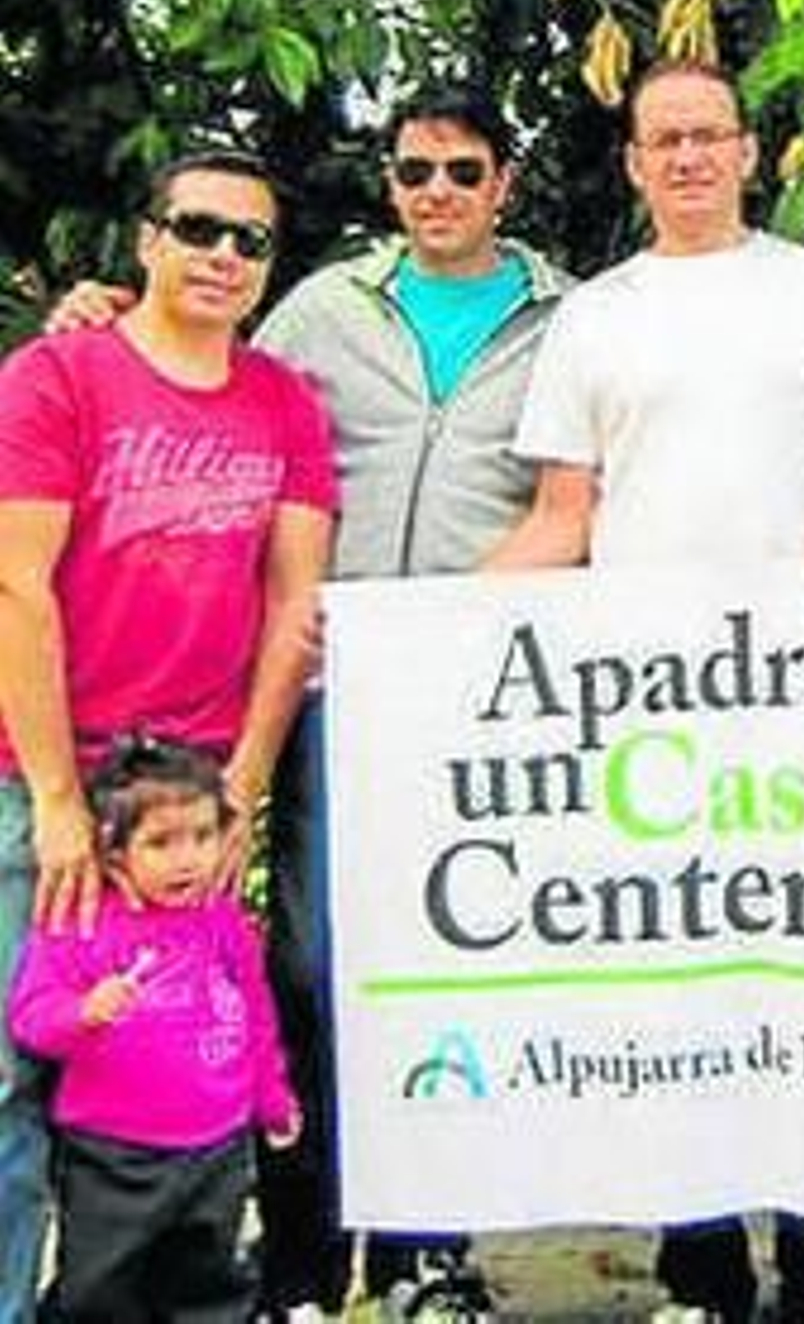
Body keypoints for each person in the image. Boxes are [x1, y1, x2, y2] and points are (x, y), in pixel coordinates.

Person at [45, 86, 570, 1322]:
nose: (435, 190)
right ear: (389, 185)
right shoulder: (325, 305)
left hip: (488, 698)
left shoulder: (570, 317)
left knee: (455, 966)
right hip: (333, 685)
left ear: (504, 182)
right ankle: (298, 1259)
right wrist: (105, 312)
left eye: (461, 169)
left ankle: (425, 1259)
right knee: (313, 961)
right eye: (412, 170)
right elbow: (197, 361)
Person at [486, 56, 804, 1324]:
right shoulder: (594, 314)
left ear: (747, 149)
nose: (687, 157)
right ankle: (702, 1269)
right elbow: (566, 510)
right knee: (680, 970)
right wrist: (420, 622)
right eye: (662, 139)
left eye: (707, 135)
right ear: (632, 161)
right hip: (648, 694)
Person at [0, 148, 335, 1324]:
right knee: (12, 1075)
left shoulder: (284, 399)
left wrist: (241, 777)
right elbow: (15, 587)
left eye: (251, 240)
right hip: (37, 773)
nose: (224, 255)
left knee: (171, 1061)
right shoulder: (55, 376)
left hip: (189, 791)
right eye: (199, 227)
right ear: (147, 239)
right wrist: (52, 796)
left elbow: (298, 603)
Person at [9, 737, 299, 1322]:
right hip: (113, 1158)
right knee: (101, 1291)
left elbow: (255, 1013)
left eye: (202, 836)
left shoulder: (223, 922)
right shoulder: (79, 926)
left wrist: (271, 1096)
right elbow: (29, 1021)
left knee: (211, 1285)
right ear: (114, 856)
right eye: (162, 843)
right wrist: (82, 1013)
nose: (188, 858)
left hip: (217, 1149)